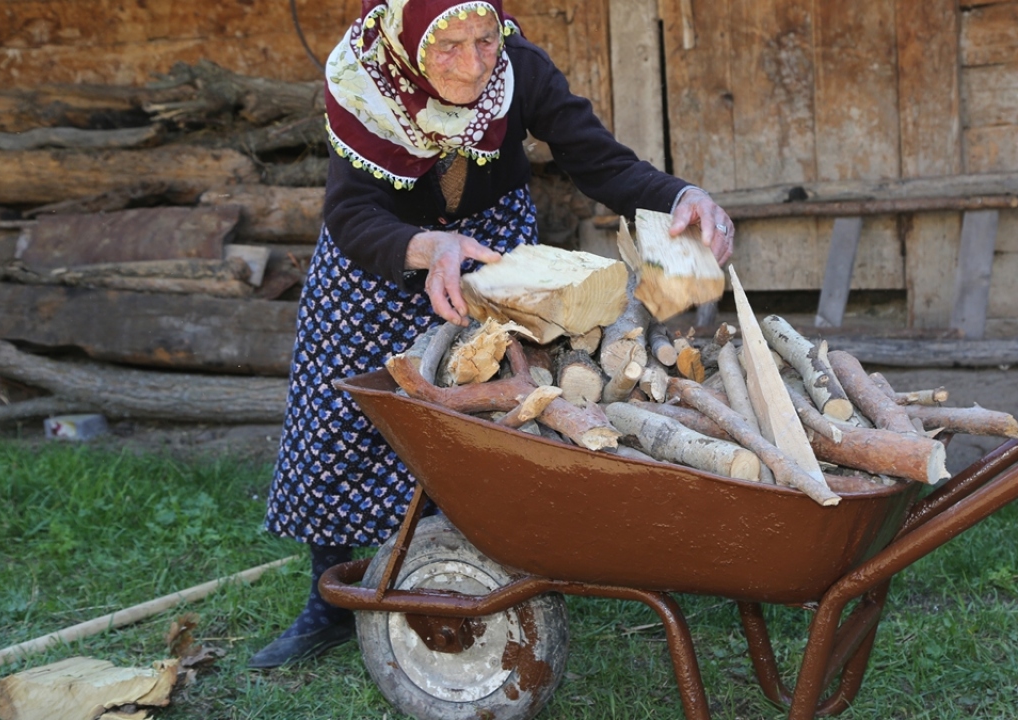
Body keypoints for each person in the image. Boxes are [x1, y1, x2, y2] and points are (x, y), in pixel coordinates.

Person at [248, 0, 735, 668]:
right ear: (408, 43)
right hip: (378, 256)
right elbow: (352, 210)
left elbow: (596, 160)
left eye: (484, 40)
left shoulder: (519, 71)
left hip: (487, 252)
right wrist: (424, 246)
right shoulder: (366, 81)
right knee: (341, 422)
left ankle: (461, 570)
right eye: (448, 48)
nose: (475, 64)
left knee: (480, 425)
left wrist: (678, 198)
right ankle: (330, 601)